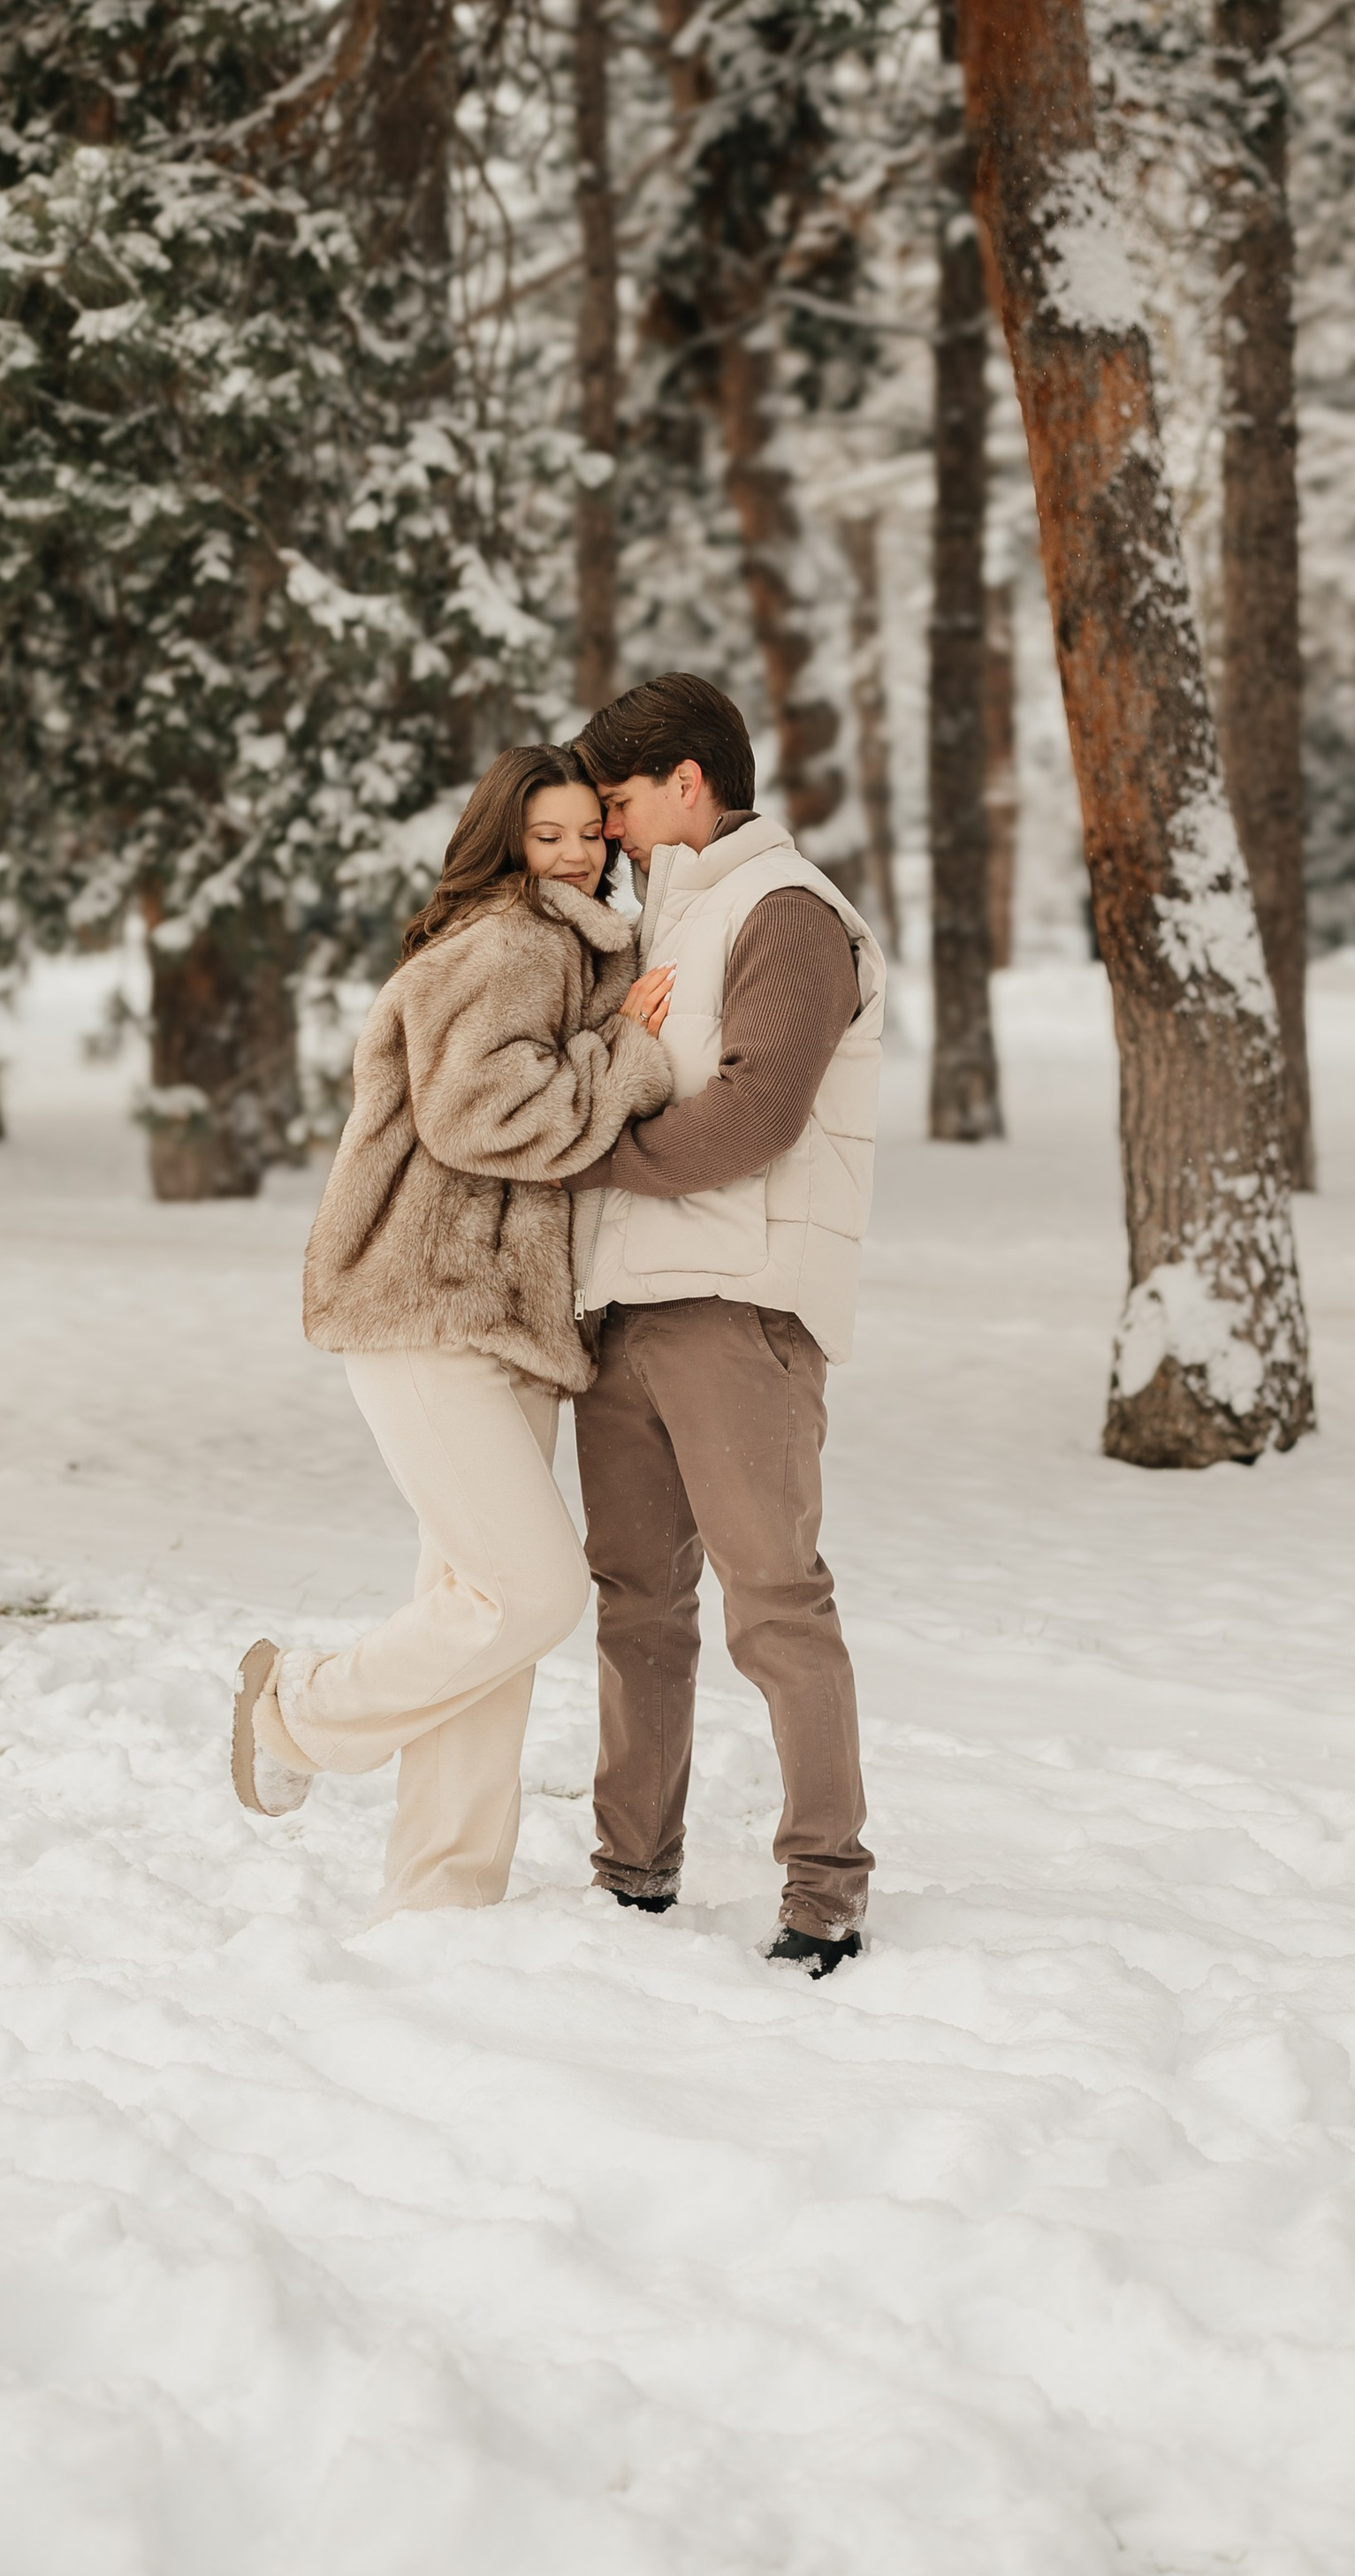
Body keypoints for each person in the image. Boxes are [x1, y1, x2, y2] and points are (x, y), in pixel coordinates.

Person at [232, 747, 675, 1917]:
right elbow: (481, 1114)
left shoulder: (562, 944)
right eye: (551, 835)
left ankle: (443, 1890)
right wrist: (624, 1054)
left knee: (477, 1606)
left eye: (591, 831)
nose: (578, 851)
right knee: (534, 1591)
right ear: (507, 843)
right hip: (431, 1306)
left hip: (505, 1319)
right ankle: (298, 1709)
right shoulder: (513, 941)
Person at [565, 673, 885, 1977]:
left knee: (774, 1605)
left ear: (688, 783)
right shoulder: (654, 931)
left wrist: (589, 1155)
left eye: (624, 803)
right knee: (635, 1602)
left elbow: (756, 1115)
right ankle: (631, 1872)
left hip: (741, 1310)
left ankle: (826, 1888)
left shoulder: (789, 913)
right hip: (624, 1310)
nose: (611, 832)